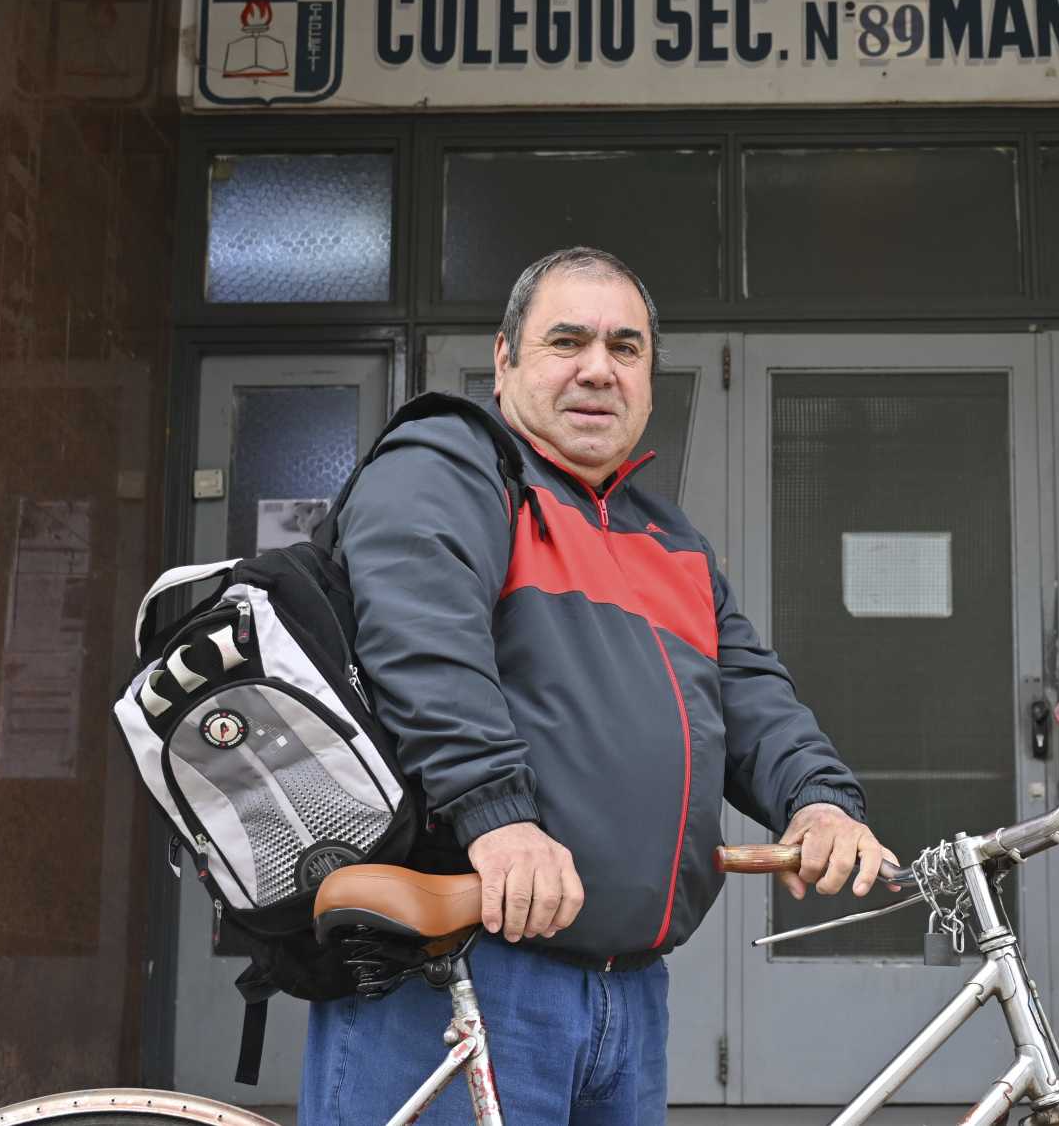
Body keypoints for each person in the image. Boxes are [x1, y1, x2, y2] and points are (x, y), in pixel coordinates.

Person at [301, 246, 889, 1124]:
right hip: (463, 973)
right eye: (566, 341)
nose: (597, 370)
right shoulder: (450, 464)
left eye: (625, 348)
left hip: (627, 997)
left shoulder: (669, 538)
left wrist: (818, 799)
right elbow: (421, 642)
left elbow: (750, 693)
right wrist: (498, 817)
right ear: (504, 361)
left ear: (650, 379)